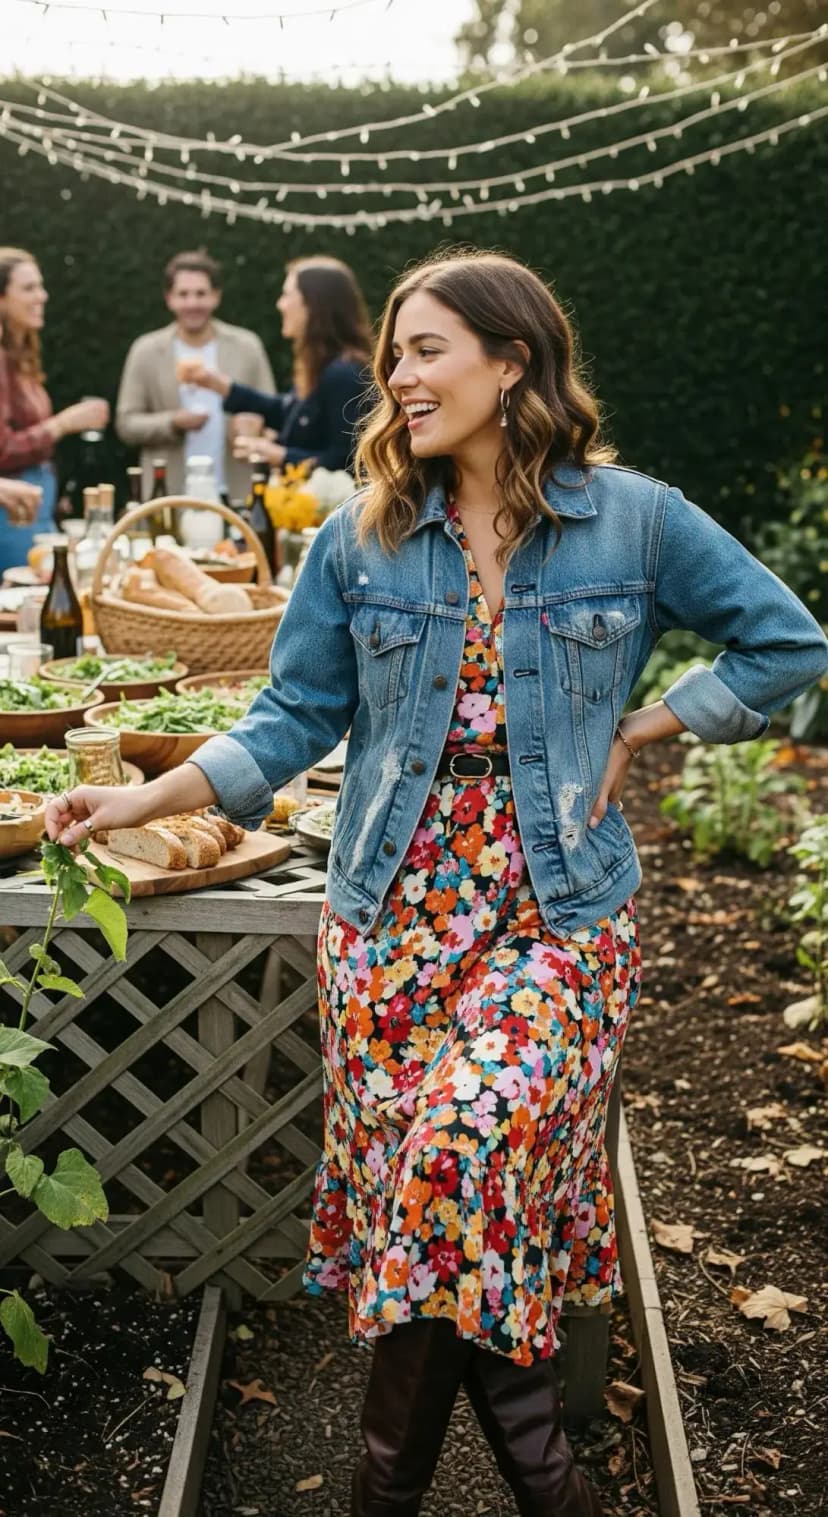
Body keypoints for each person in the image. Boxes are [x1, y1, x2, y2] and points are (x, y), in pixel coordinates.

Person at [48, 251, 828, 1517]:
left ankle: (451, 1483)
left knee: (460, 1153)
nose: (397, 376)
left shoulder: (631, 517)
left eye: (426, 350)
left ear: (511, 359)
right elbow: (292, 714)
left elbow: (789, 639)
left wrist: (646, 727)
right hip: (390, 927)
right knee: (449, 1229)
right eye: (395, 352)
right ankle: (528, 1481)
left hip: (557, 920)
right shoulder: (365, 538)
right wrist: (145, 797)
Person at [181, 255, 373, 475]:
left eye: (287, 295)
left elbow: (346, 461)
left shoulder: (343, 374)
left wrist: (275, 455)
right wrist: (218, 384)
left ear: (313, 304)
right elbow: (287, 412)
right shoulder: (321, 365)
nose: (279, 304)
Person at [115, 249, 275, 500]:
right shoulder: (146, 350)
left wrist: (251, 428)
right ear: (169, 298)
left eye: (201, 294)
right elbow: (126, 423)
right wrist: (173, 422)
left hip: (235, 490)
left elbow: (273, 415)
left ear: (216, 296)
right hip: (170, 492)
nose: (192, 303)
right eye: (183, 294)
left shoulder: (247, 347)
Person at [0, 248, 109, 574]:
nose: (42, 296)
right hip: (12, 511)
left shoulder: (21, 357)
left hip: (37, 503)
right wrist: (64, 423)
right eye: (29, 288)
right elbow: (4, 449)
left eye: (40, 286)